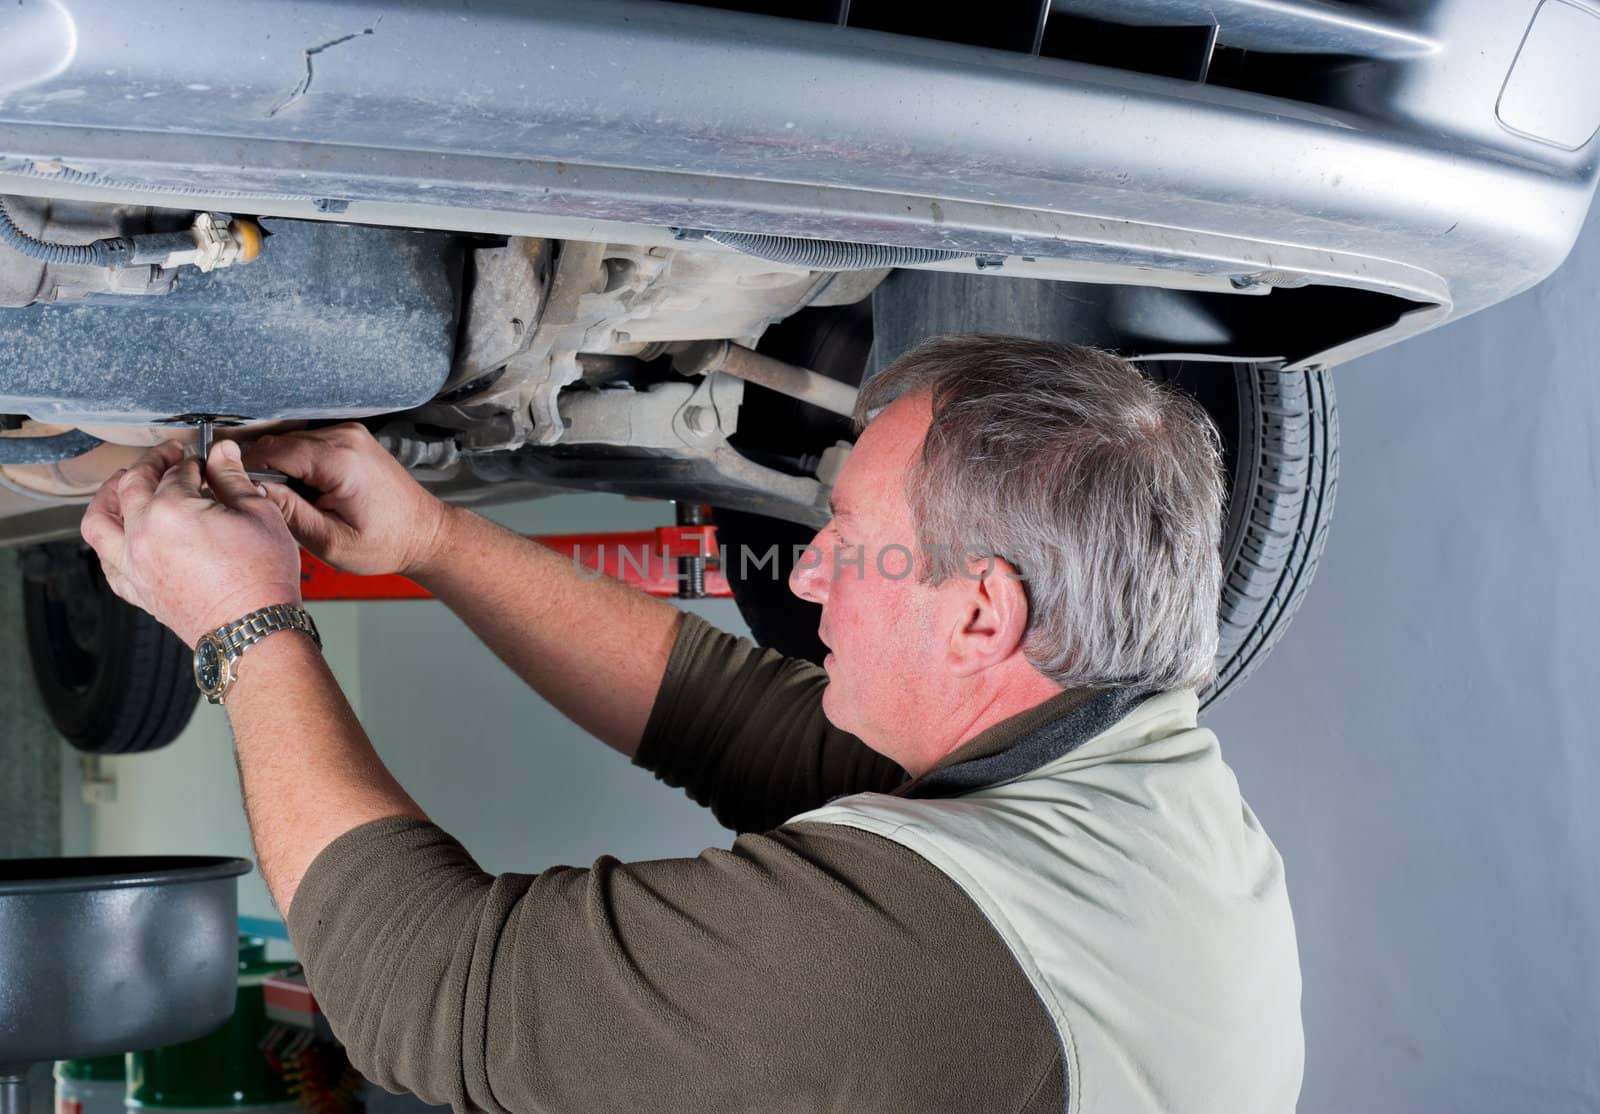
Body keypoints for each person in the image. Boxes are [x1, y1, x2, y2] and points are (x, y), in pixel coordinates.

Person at [80, 335, 1303, 1113]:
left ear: (983, 616)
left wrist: (240, 625)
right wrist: (430, 541)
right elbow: (720, 715)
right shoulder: (1122, 779)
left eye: (853, 536)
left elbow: (426, 992)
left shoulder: (929, 966)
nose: (809, 572)